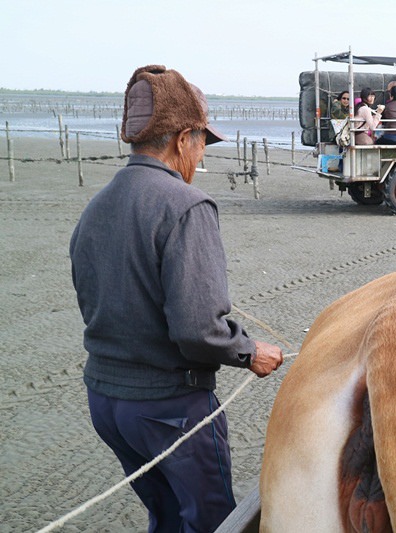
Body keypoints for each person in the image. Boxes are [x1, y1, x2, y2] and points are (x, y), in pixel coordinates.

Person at [69, 64, 284, 533]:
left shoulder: (96, 206)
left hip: (106, 402)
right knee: (210, 521)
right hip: (170, 408)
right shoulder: (186, 205)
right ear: (182, 138)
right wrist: (250, 352)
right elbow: (197, 329)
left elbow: (91, 294)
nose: (201, 154)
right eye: (203, 141)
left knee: (165, 514)